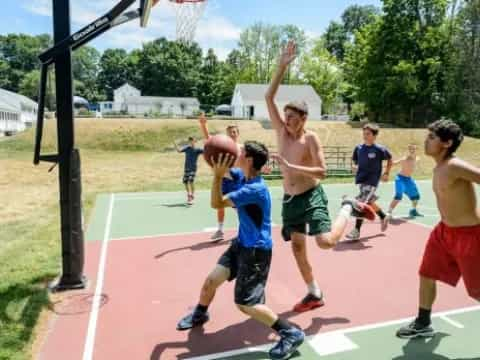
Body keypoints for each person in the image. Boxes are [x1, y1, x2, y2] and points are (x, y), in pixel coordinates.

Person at [176, 141, 306, 360]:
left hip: (256, 251)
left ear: (249, 160)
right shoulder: (241, 176)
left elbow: (216, 203)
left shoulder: (255, 189)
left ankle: (290, 333)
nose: (238, 152)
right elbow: (222, 165)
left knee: (246, 304)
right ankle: (200, 313)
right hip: (241, 243)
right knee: (211, 281)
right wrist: (215, 158)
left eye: (242, 152)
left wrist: (217, 177)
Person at [265, 40, 366, 313]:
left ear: (304, 118)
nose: (287, 120)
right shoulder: (281, 133)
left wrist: (291, 166)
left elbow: (323, 171)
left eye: (293, 117)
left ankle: (348, 207)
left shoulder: (311, 139)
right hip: (290, 199)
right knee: (298, 248)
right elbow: (268, 97)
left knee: (325, 243)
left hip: (311, 195)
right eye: (285, 116)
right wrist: (281, 67)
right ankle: (314, 292)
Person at [396, 119, 480, 339]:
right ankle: (423, 322)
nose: (426, 140)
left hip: (469, 236)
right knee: (427, 273)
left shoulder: (454, 165)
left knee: (476, 292)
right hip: (444, 232)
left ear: (446, 143)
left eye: (432, 137)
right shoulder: (439, 167)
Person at [346, 122, 393, 241]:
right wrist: (354, 167)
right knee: (369, 202)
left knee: (361, 203)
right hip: (361, 180)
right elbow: (355, 161)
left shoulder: (379, 149)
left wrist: (386, 173)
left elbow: (390, 158)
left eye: (368, 134)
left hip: (372, 181)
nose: (365, 135)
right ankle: (383, 216)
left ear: (374, 135)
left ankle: (356, 231)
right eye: (364, 133)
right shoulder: (359, 148)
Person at [199, 113, 242, 242]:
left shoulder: (241, 148)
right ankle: (220, 230)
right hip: (223, 179)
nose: (232, 134)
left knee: (240, 207)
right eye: (230, 132)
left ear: (238, 133)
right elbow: (209, 139)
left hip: (236, 180)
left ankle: (244, 229)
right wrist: (203, 125)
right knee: (220, 205)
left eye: (234, 132)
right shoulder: (222, 146)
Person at [386, 144, 422, 220]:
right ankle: (389, 212)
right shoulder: (404, 159)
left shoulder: (417, 158)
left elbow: (415, 164)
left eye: (414, 149)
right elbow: (393, 163)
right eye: (410, 149)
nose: (412, 150)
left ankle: (413, 210)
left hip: (409, 179)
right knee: (398, 196)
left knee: (415, 196)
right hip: (400, 179)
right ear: (409, 150)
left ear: (416, 150)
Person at [173, 136, 203, 205]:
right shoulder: (187, 149)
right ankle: (189, 195)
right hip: (186, 168)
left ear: (194, 141)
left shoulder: (198, 150)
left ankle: (192, 195)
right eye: (190, 141)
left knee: (190, 181)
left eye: (192, 141)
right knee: (185, 182)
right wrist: (175, 145)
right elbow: (179, 151)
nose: (191, 142)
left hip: (193, 168)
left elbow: (206, 151)